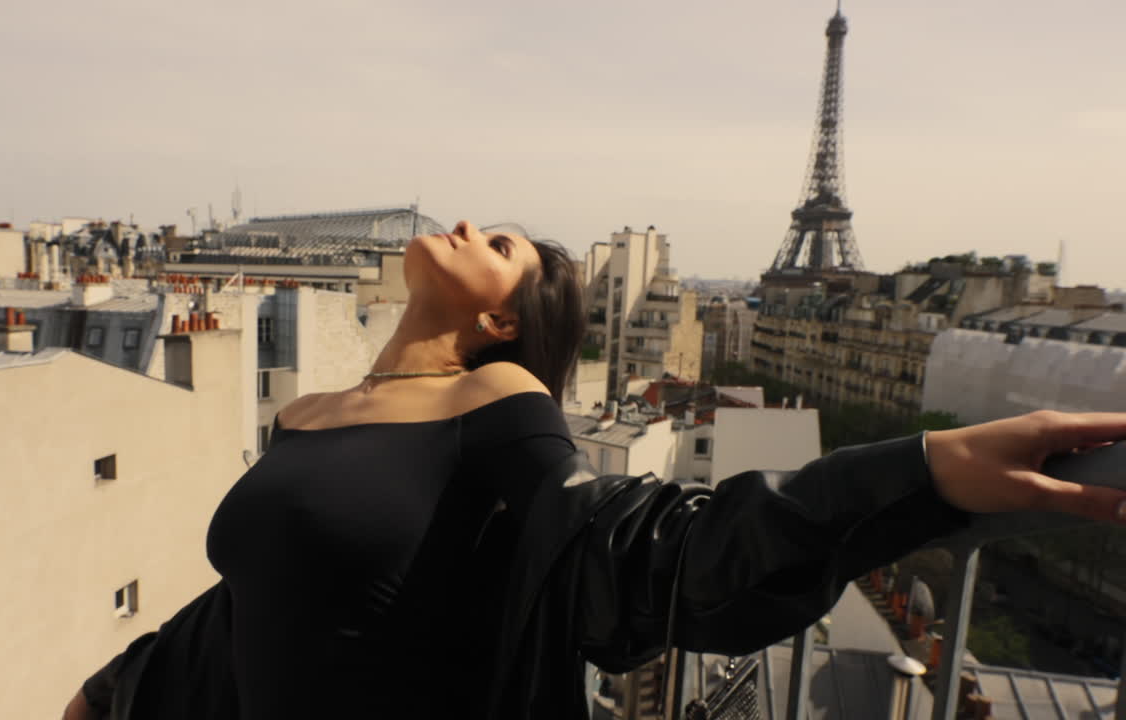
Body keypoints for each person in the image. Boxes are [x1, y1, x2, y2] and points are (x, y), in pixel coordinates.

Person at [64, 220, 1126, 720]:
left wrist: (925, 471)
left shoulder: (496, 407)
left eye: (506, 245)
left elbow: (641, 549)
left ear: (498, 318)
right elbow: (263, 599)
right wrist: (120, 693)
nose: (473, 224)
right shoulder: (310, 413)